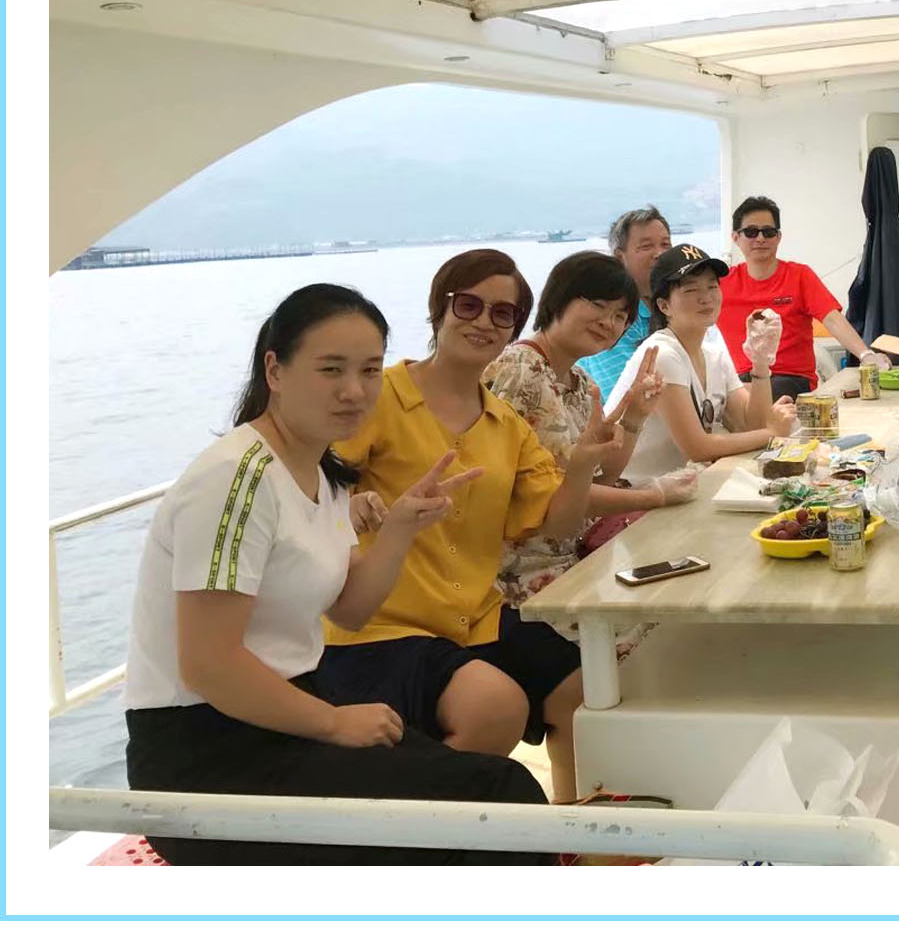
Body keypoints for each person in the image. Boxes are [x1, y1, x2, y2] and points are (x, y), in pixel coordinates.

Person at [124, 284, 553, 864]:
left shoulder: (320, 473)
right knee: (497, 798)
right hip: (205, 758)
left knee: (492, 793)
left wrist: (399, 528)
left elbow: (351, 609)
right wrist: (331, 723)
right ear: (275, 370)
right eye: (331, 369)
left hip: (283, 717)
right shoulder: (236, 479)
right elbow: (208, 665)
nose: (355, 390)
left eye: (371, 370)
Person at [317, 249, 627, 805]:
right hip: (380, 622)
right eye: (469, 305)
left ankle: (573, 827)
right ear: (439, 308)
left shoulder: (506, 425)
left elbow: (555, 522)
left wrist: (582, 465)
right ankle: (421, 828)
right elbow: (316, 479)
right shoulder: (381, 396)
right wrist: (352, 501)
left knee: (581, 688)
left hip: (475, 616)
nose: (484, 321)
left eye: (503, 314)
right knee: (493, 707)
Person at [481, 250, 690, 607]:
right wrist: (655, 495)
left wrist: (636, 415)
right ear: (558, 298)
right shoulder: (521, 371)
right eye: (598, 305)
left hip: (577, 556)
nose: (608, 322)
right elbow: (550, 498)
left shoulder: (578, 382)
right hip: (523, 575)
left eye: (620, 315)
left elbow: (601, 478)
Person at [610, 243, 798, 480]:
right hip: (634, 490)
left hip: (679, 484)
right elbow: (697, 448)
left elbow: (750, 425)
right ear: (664, 306)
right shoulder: (662, 354)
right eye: (691, 290)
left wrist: (760, 363)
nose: (706, 298)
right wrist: (773, 432)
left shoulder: (713, 354)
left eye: (712, 286)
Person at [716, 196, 883, 399]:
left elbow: (832, 319)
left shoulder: (799, 276)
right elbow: (692, 315)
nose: (760, 239)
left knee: (749, 398)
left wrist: (866, 355)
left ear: (778, 237)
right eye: (751, 232)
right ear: (735, 237)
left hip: (792, 378)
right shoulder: (721, 285)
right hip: (743, 378)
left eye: (768, 232)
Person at [578, 205, 673, 398]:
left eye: (665, 245)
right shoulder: (614, 317)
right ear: (620, 258)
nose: (659, 254)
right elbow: (623, 398)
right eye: (646, 246)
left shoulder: (670, 309)